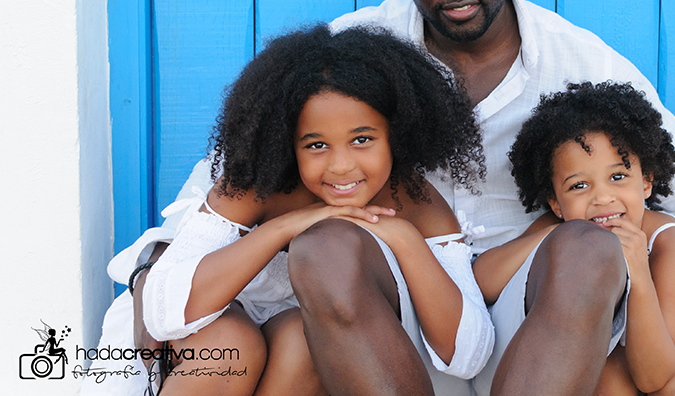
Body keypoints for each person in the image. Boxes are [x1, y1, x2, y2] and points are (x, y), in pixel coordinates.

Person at [123, 0, 675, 395]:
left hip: (539, 322)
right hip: (386, 319)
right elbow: (230, 177)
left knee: (587, 247)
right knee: (324, 246)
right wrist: (155, 273)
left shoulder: (579, 61)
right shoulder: (358, 52)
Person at [86, 25, 493, 396]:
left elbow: (467, 357)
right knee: (231, 347)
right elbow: (162, 314)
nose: (341, 166)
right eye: (316, 145)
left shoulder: (417, 203)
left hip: (295, 353)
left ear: (396, 134)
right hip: (208, 341)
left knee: (305, 340)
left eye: (362, 140)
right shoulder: (257, 184)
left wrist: (404, 238)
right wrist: (284, 227)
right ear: (287, 142)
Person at [477, 80, 675, 395]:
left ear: (646, 182)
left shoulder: (670, 246)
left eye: (618, 177)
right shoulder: (560, 227)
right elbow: (484, 280)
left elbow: (653, 376)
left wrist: (639, 270)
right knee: (606, 383)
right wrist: (556, 232)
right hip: (618, 347)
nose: (602, 198)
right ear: (556, 202)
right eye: (578, 186)